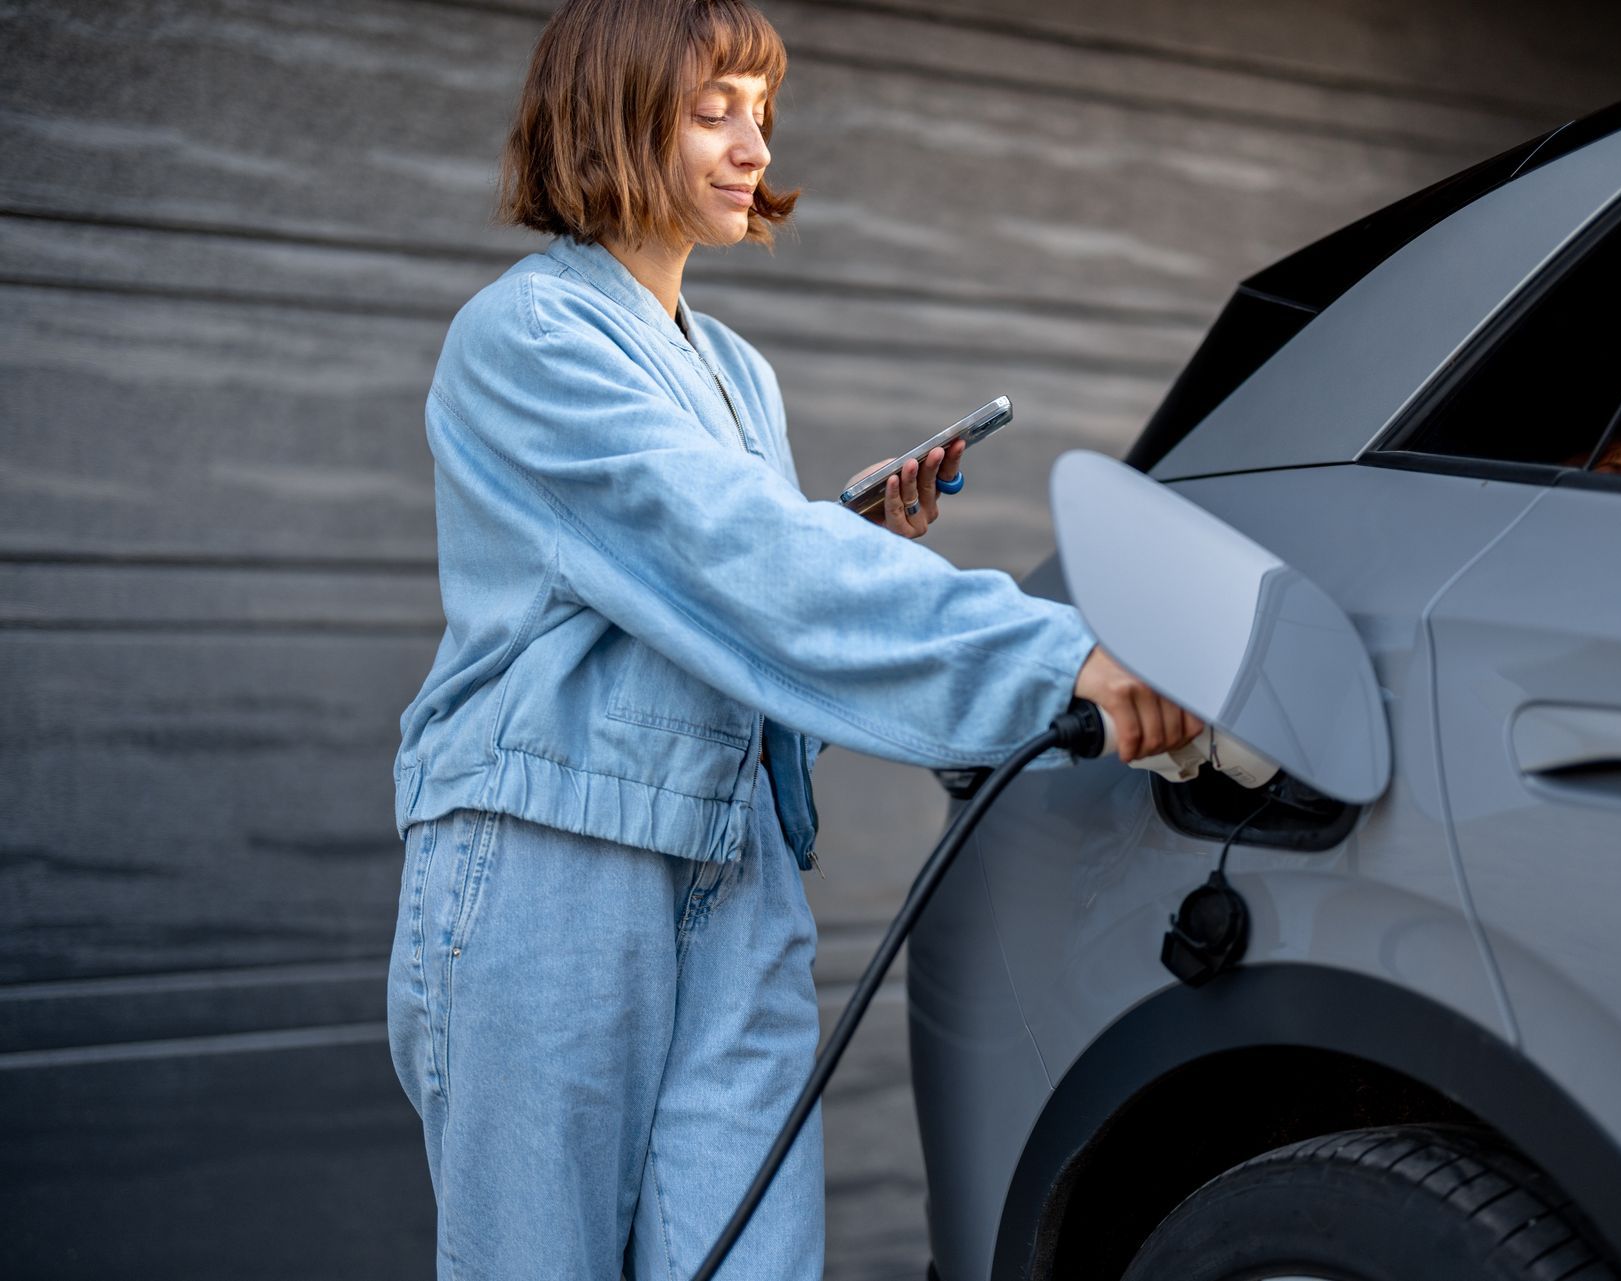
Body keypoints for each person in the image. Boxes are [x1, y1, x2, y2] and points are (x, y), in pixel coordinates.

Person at [383, 2, 1200, 1277]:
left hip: (738, 871)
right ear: (609, 117)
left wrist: (849, 527)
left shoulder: (737, 371)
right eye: (713, 110)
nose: (753, 143)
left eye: (760, 110)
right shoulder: (530, 337)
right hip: (557, 871)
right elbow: (742, 566)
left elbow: (732, 571)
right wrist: (1059, 660)